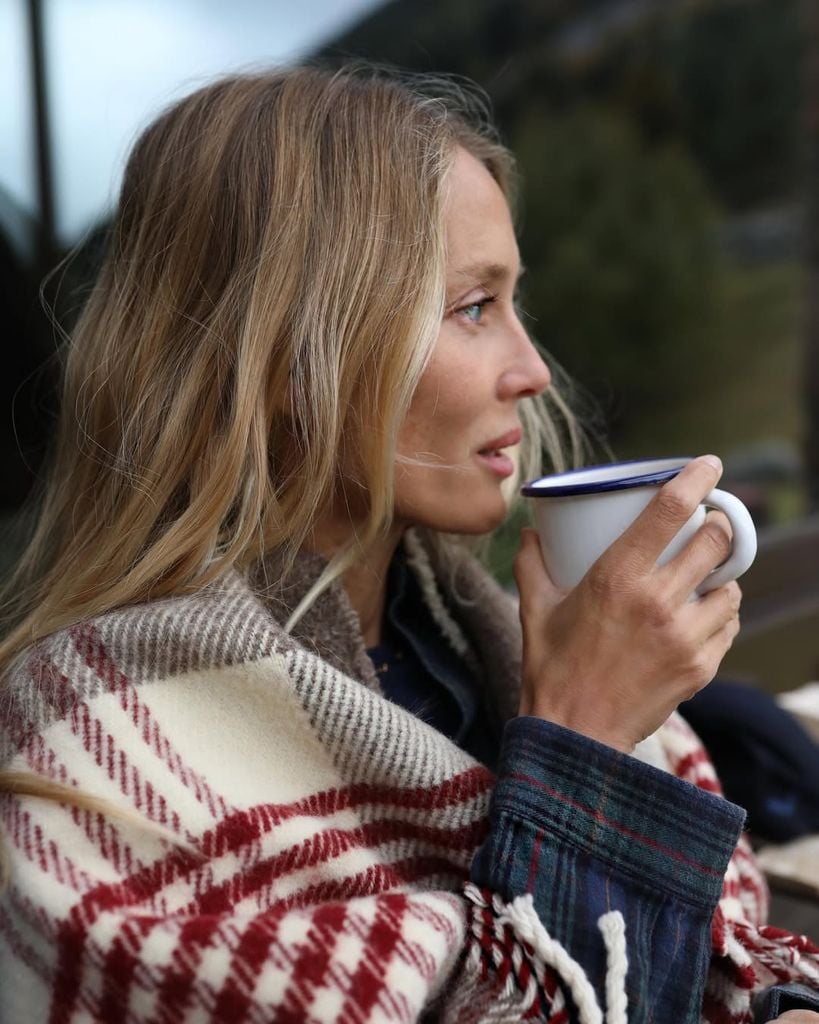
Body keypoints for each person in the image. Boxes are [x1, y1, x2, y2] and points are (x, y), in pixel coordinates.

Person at [0, 64, 816, 1024]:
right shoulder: (88, 751)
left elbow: (717, 953)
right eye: (475, 307)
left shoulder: (486, 643)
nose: (532, 368)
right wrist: (583, 749)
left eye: (516, 302)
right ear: (285, 353)